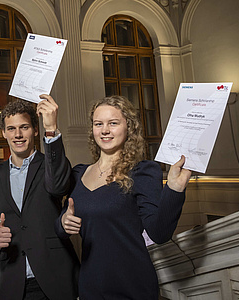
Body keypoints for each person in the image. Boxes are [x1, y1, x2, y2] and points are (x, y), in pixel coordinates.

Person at [49, 95, 192, 299]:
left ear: (129, 128)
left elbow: (160, 233)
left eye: (113, 123)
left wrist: (175, 189)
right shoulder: (78, 173)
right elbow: (60, 227)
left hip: (132, 286)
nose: (105, 130)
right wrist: (63, 222)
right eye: (99, 124)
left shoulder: (142, 171)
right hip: (91, 286)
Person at [0, 98, 80, 300]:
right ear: (4, 133)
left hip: (56, 279)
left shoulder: (52, 166)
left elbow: (59, 186)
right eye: (11, 128)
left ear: (35, 130)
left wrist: (51, 130)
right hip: (12, 283)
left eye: (24, 127)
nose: (17, 134)